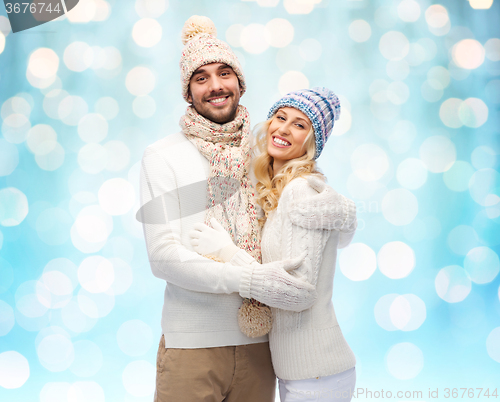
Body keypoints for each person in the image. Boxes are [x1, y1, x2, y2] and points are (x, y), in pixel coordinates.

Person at [138, 16, 317, 402]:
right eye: (201, 78)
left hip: (262, 345)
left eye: (224, 73)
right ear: (188, 92)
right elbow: (164, 257)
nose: (216, 86)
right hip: (192, 346)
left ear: (240, 83)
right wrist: (249, 281)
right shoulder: (162, 157)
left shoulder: (266, 155)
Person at [190, 87, 358, 401]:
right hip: (305, 372)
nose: (283, 128)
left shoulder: (299, 192)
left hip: (317, 373)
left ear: (313, 142)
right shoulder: (283, 191)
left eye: (299, 124)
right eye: (280, 117)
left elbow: (299, 293)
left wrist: (227, 252)